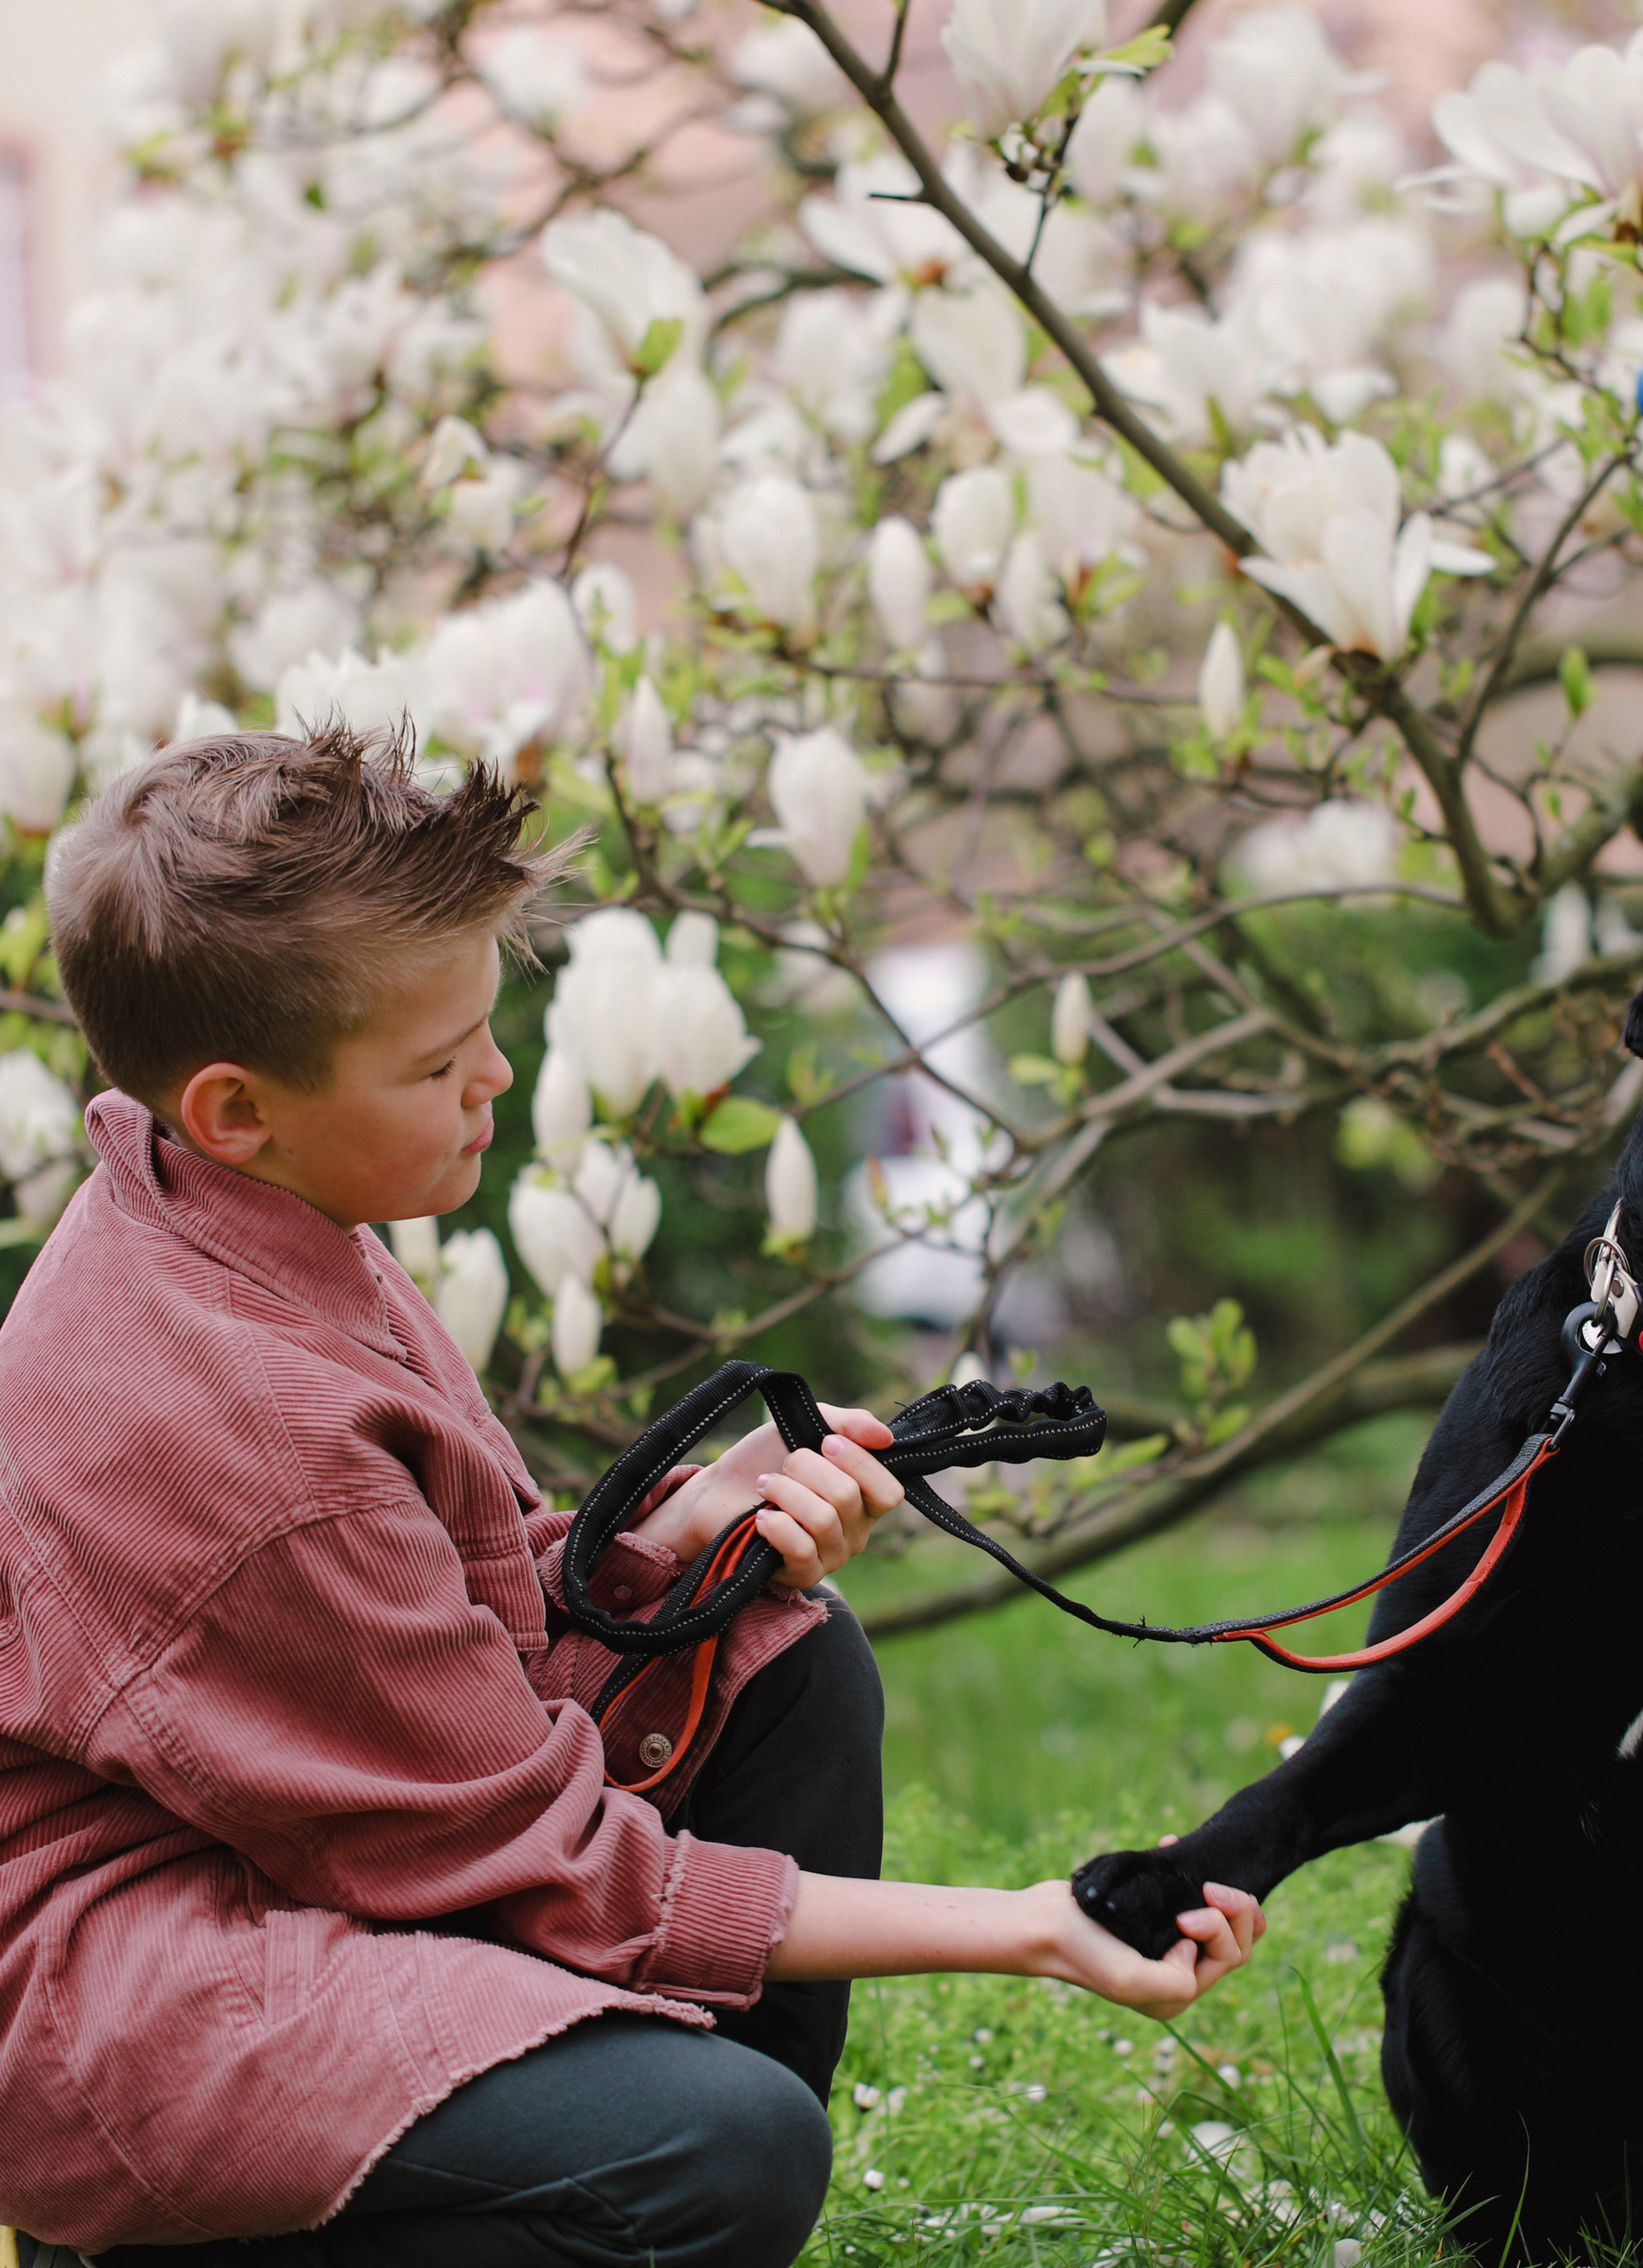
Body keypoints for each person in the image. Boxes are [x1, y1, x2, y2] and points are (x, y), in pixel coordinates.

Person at [0, 726, 1259, 2268]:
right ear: (235, 1106)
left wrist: (667, 1539)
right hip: (133, 1997)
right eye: (434, 1061)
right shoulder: (247, 1428)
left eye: (484, 1024)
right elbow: (548, 1864)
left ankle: (623, 2158)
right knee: (716, 2150)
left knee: (794, 1673)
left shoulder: (236, 1203)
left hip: (292, 1849)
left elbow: (438, 1626)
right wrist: (1024, 1927)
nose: (498, 1078)